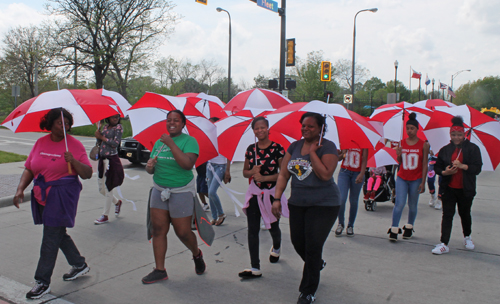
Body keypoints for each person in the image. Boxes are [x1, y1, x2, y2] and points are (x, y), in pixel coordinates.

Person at [13, 108, 93, 299]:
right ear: (50, 124)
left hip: (63, 196)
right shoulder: (41, 142)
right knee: (57, 232)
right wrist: (20, 189)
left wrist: (73, 160)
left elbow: (87, 174)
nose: (64, 126)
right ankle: (79, 264)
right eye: (59, 122)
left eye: (67, 122)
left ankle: (42, 281)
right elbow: (29, 168)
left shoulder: (74, 145)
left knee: (50, 237)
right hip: (43, 194)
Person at [273, 112, 340, 304]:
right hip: (298, 203)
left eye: (311, 126)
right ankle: (316, 264)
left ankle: (307, 291)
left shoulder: (328, 147)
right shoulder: (294, 146)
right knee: (297, 242)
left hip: (324, 204)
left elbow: (326, 175)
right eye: (303, 125)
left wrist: (312, 153)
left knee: (312, 245)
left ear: (320, 128)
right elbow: (284, 175)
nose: (306, 128)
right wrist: (277, 198)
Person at [142, 110, 206, 284]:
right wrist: (150, 166)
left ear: (183, 124)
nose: (171, 123)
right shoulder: (159, 143)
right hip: (159, 190)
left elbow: (187, 164)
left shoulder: (189, 141)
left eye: (176, 120)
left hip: (181, 192)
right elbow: (150, 170)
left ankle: (197, 254)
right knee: (158, 230)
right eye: (169, 120)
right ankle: (159, 270)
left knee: (183, 232)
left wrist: (171, 144)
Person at [238, 117, 286, 279]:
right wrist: (252, 172)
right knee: (252, 230)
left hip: (272, 195)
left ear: (268, 128)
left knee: (273, 228)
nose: (260, 131)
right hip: (254, 194)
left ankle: (277, 247)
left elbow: (283, 175)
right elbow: (245, 172)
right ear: (253, 131)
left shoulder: (277, 149)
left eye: (262, 128)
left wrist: (265, 178)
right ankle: (255, 267)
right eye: (256, 129)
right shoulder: (251, 150)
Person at [431, 116, 482, 255]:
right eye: (453, 134)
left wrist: (463, 166)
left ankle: (467, 237)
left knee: (465, 214)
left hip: (466, 189)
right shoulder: (445, 150)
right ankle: (444, 243)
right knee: (447, 215)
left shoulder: (473, 149)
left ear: (464, 134)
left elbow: (477, 168)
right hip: (449, 189)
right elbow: (437, 168)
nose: (456, 137)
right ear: (450, 134)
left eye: (459, 134)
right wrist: (444, 172)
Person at [388, 112, 429, 241]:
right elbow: (399, 162)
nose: (409, 131)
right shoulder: (401, 143)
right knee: (399, 203)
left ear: (417, 129)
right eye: (407, 128)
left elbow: (424, 164)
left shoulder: (424, 145)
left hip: (416, 179)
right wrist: (398, 154)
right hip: (402, 177)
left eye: (412, 128)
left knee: (412, 204)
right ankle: (394, 228)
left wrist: (423, 181)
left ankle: (409, 227)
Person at [94, 114, 125, 224]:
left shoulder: (119, 128)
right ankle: (117, 202)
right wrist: (98, 134)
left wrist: (102, 137)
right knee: (101, 189)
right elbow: (100, 143)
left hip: (111, 160)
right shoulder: (105, 127)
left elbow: (115, 144)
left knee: (109, 187)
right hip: (102, 159)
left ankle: (105, 215)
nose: (115, 119)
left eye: (117, 117)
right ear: (108, 117)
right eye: (113, 117)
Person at [335, 148, 367, 237]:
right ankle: (340, 223)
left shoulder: (363, 141)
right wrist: (342, 154)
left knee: (353, 200)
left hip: (357, 173)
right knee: (341, 199)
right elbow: (338, 158)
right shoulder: (346, 140)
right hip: (344, 172)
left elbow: (365, 159)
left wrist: (362, 173)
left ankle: (350, 225)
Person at [206, 117, 231, 226]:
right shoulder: (208, 137)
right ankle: (214, 216)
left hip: (220, 166)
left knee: (212, 191)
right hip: (210, 165)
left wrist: (227, 171)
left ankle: (221, 214)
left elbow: (229, 154)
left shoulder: (223, 136)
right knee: (209, 192)